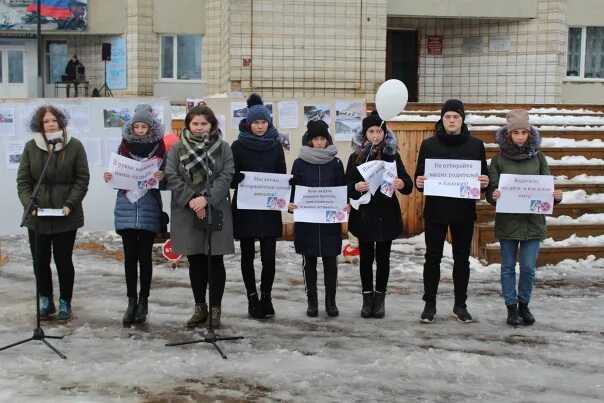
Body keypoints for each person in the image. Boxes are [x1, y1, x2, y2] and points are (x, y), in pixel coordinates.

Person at [414, 99, 489, 323]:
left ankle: (460, 304)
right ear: (442, 119)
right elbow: (420, 178)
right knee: (432, 258)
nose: (452, 120)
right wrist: (420, 181)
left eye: (456, 116)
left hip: (463, 211)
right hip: (436, 210)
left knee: (461, 260)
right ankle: (430, 304)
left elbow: (483, 177)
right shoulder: (429, 145)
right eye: (448, 116)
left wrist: (484, 181)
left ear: (462, 119)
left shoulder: (475, 145)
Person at [486, 109, 563, 326]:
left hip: (533, 222)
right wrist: (493, 195)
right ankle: (511, 307)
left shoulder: (539, 158)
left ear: (529, 134)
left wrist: (555, 197)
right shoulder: (498, 160)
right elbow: (492, 189)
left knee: (528, 267)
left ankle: (524, 304)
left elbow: (546, 185)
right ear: (508, 134)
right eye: (516, 132)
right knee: (508, 267)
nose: (520, 136)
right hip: (508, 222)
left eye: (524, 132)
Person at [17, 105, 90, 324]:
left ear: (61, 122)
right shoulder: (31, 147)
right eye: (46, 121)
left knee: (63, 261)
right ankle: (46, 299)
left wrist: (70, 203)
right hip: (37, 216)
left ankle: (65, 301)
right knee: (40, 261)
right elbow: (23, 181)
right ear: (39, 125)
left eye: (54, 120)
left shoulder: (75, 146)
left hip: (65, 215)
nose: (50, 124)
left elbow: (81, 179)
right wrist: (29, 205)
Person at [165, 105, 235, 329]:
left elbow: (226, 175)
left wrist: (206, 199)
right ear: (188, 125)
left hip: (215, 208)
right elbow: (171, 175)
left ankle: (215, 309)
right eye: (195, 123)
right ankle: (199, 307)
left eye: (204, 123)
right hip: (186, 210)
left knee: (215, 260)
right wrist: (192, 199)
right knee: (195, 259)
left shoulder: (223, 148)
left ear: (212, 125)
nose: (199, 128)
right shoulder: (176, 149)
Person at [346, 111, 413, 318]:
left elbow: (408, 184)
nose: (376, 135)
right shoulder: (355, 157)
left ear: (385, 133)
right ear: (364, 134)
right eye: (371, 131)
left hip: (386, 214)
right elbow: (345, 186)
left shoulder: (392, 156)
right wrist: (356, 186)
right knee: (366, 259)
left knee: (383, 259)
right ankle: (367, 298)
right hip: (364, 214)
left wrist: (402, 183)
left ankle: (380, 297)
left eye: (379, 131)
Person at [103, 105, 166, 325]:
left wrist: (162, 176)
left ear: (151, 128)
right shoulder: (123, 147)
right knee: (130, 258)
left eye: (144, 127)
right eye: (137, 126)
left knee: (145, 257)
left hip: (149, 207)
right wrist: (110, 176)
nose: (140, 130)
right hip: (126, 207)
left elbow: (167, 181)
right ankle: (131, 300)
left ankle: (143, 301)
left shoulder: (160, 149)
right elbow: (117, 178)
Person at [231, 94, 286, 319]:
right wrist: (239, 178)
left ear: (268, 122)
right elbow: (230, 178)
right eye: (256, 123)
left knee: (269, 257)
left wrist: (287, 185)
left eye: (263, 122)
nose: (260, 126)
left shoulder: (276, 145)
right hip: (246, 210)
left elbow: (281, 175)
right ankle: (252, 297)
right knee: (247, 256)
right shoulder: (238, 145)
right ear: (249, 124)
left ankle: (266, 295)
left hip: (269, 210)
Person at [288, 120, 349, 317]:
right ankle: (312, 301)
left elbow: (342, 187)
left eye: (323, 138)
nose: (320, 142)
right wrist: (291, 203)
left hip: (330, 222)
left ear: (327, 139)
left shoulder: (336, 162)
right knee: (309, 263)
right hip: (308, 223)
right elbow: (294, 189)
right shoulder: (299, 162)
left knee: (331, 263)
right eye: (316, 139)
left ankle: (331, 301)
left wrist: (345, 203)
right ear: (310, 140)